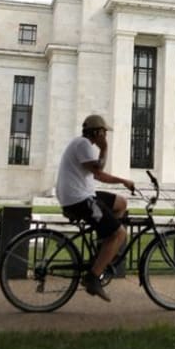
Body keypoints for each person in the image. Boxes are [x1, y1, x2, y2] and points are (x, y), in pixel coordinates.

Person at [55, 114, 134, 302]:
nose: (105, 135)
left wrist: (103, 149)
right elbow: (99, 172)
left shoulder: (84, 146)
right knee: (120, 234)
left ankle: (105, 244)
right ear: (97, 132)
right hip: (79, 199)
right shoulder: (82, 144)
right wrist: (122, 179)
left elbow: (97, 173)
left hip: (85, 194)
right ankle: (93, 277)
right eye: (104, 132)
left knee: (121, 203)